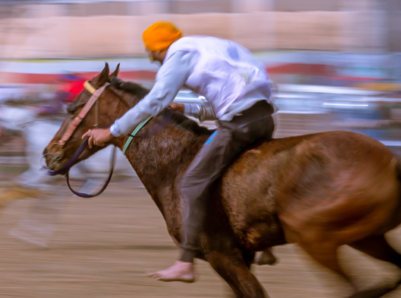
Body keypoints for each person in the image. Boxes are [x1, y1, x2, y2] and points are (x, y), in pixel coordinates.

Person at [83, 22, 276, 282]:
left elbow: (154, 101)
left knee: (193, 182)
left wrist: (112, 131)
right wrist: (187, 109)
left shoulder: (177, 56)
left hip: (239, 124)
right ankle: (265, 245)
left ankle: (185, 262)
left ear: (155, 50)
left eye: (151, 55)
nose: (154, 61)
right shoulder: (206, 45)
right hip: (263, 118)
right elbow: (228, 98)